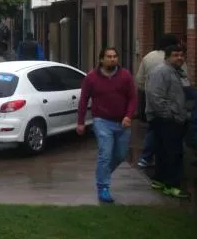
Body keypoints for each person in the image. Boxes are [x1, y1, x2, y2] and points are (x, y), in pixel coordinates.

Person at [76, 47, 137, 203]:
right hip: (102, 121)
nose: (112, 59)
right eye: (109, 57)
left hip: (123, 122)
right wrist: (81, 122)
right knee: (105, 153)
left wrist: (128, 116)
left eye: (115, 56)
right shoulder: (91, 78)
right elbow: (83, 100)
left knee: (121, 154)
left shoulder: (125, 76)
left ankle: (102, 174)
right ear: (101, 59)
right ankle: (103, 187)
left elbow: (132, 98)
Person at [145, 44, 190, 199]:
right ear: (167, 57)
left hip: (174, 118)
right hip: (166, 120)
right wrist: (170, 115)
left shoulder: (178, 72)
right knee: (173, 153)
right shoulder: (161, 71)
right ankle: (172, 185)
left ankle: (160, 180)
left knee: (163, 151)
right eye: (175, 55)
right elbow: (155, 96)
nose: (179, 58)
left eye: (181, 55)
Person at [135, 33, 182, 167]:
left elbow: (139, 80)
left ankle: (146, 157)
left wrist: (146, 91)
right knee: (168, 134)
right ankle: (164, 161)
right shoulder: (176, 59)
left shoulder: (149, 57)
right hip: (172, 104)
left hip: (150, 100)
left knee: (153, 129)